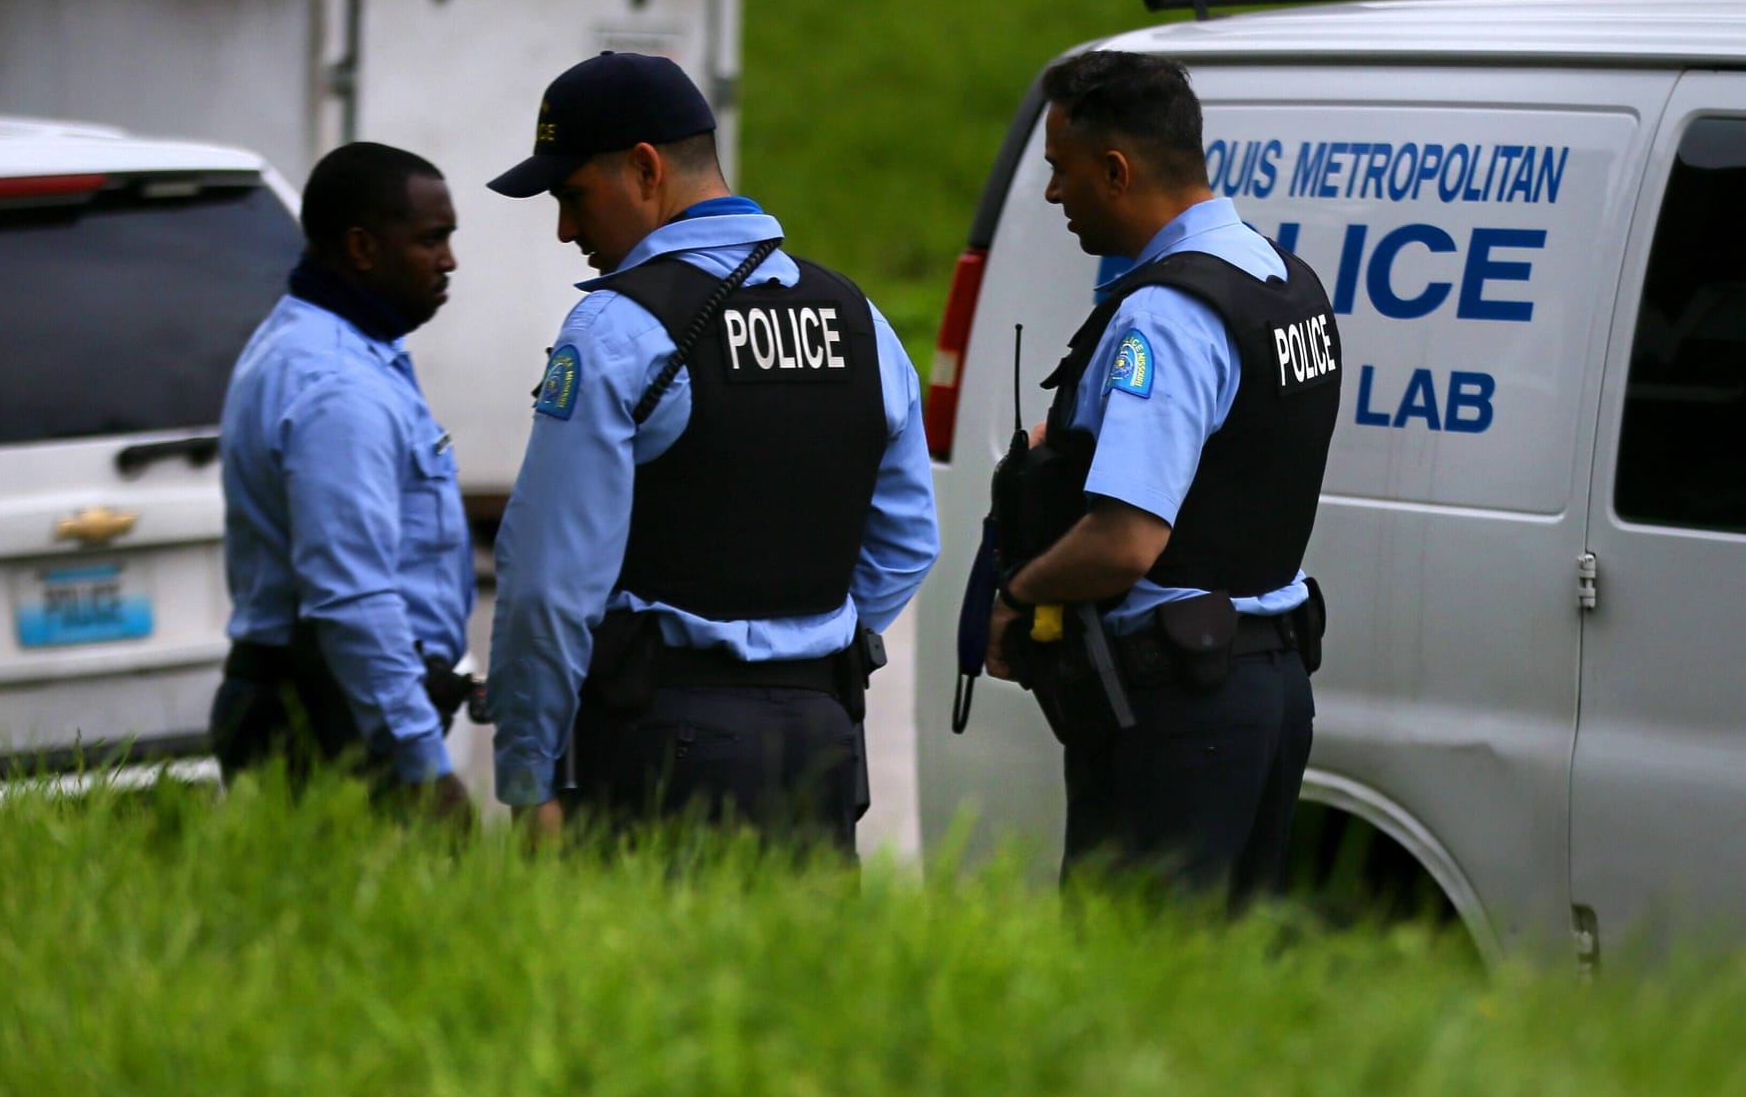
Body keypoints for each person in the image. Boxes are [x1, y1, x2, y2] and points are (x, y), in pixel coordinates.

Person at [485, 52, 938, 853]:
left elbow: (549, 582)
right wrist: (806, 651)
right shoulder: (857, 317)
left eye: (572, 194)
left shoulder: (615, 329)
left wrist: (532, 777)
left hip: (666, 745)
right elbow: (907, 539)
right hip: (820, 740)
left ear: (645, 169)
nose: (565, 229)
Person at [985, 50, 1341, 899]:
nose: (1052, 195)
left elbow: (1126, 540)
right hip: (1268, 683)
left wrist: (1018, 594)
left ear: (1116, 170)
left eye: (1060, 172)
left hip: (1182, 708)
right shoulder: (1285, 282)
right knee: (1218, 988)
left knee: (1131, 986)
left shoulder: (1168, 316)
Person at [210, 141, 475, 822]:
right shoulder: (336, 385)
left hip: (335, 710)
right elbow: (352, 598)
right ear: (361, 248)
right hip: (329, 726)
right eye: (431, 239)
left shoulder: (333, 344)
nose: (449, 260)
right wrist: (423, 768)